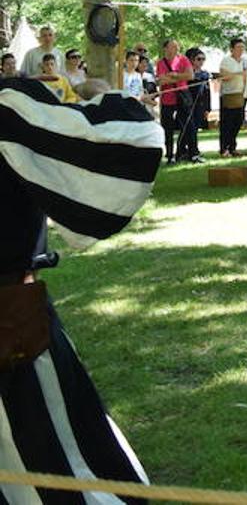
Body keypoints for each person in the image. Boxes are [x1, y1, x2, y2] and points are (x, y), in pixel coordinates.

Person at [0, 76, 163, 502]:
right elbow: (127, 147)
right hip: (8, 326)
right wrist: (103, 92)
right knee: (45, 459)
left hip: (13, 317)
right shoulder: (7, 106)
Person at [155, 39, 192, 165]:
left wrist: (174, 75)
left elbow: (190, 76)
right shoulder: (161, 63)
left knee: (186, 125)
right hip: (167, 99)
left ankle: (184, 152)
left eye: (177, 46)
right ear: (165, 48)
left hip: (182, 97)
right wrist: (181, 76)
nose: (176, 49)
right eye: (173, 46)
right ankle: (169, 155)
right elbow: (161, 80)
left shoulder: (183, 60)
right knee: (168, 128)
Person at [218, 36, 247, 158]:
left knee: (238, 121)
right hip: (230, 94)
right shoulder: (226, 61)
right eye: (238, 47)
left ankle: (232, 147)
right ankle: (224, 148)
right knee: (227, 122)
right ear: (231, 49)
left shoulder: (245, 61)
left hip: (243, 94)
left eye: (242, 47)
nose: (241, 50)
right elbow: (224, 76)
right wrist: (239, 74)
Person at [176, 47, 211, 163]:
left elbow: (207, 92)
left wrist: (207, 108)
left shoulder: (205, 74)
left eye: (203, 59)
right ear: (191, 60)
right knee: (187, 129)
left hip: (200, 106)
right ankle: (186, 152)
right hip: (187, 105)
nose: (201, 62)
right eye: (198, 59)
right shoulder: (186, 74)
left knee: (194, 129)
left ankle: (187, 151)